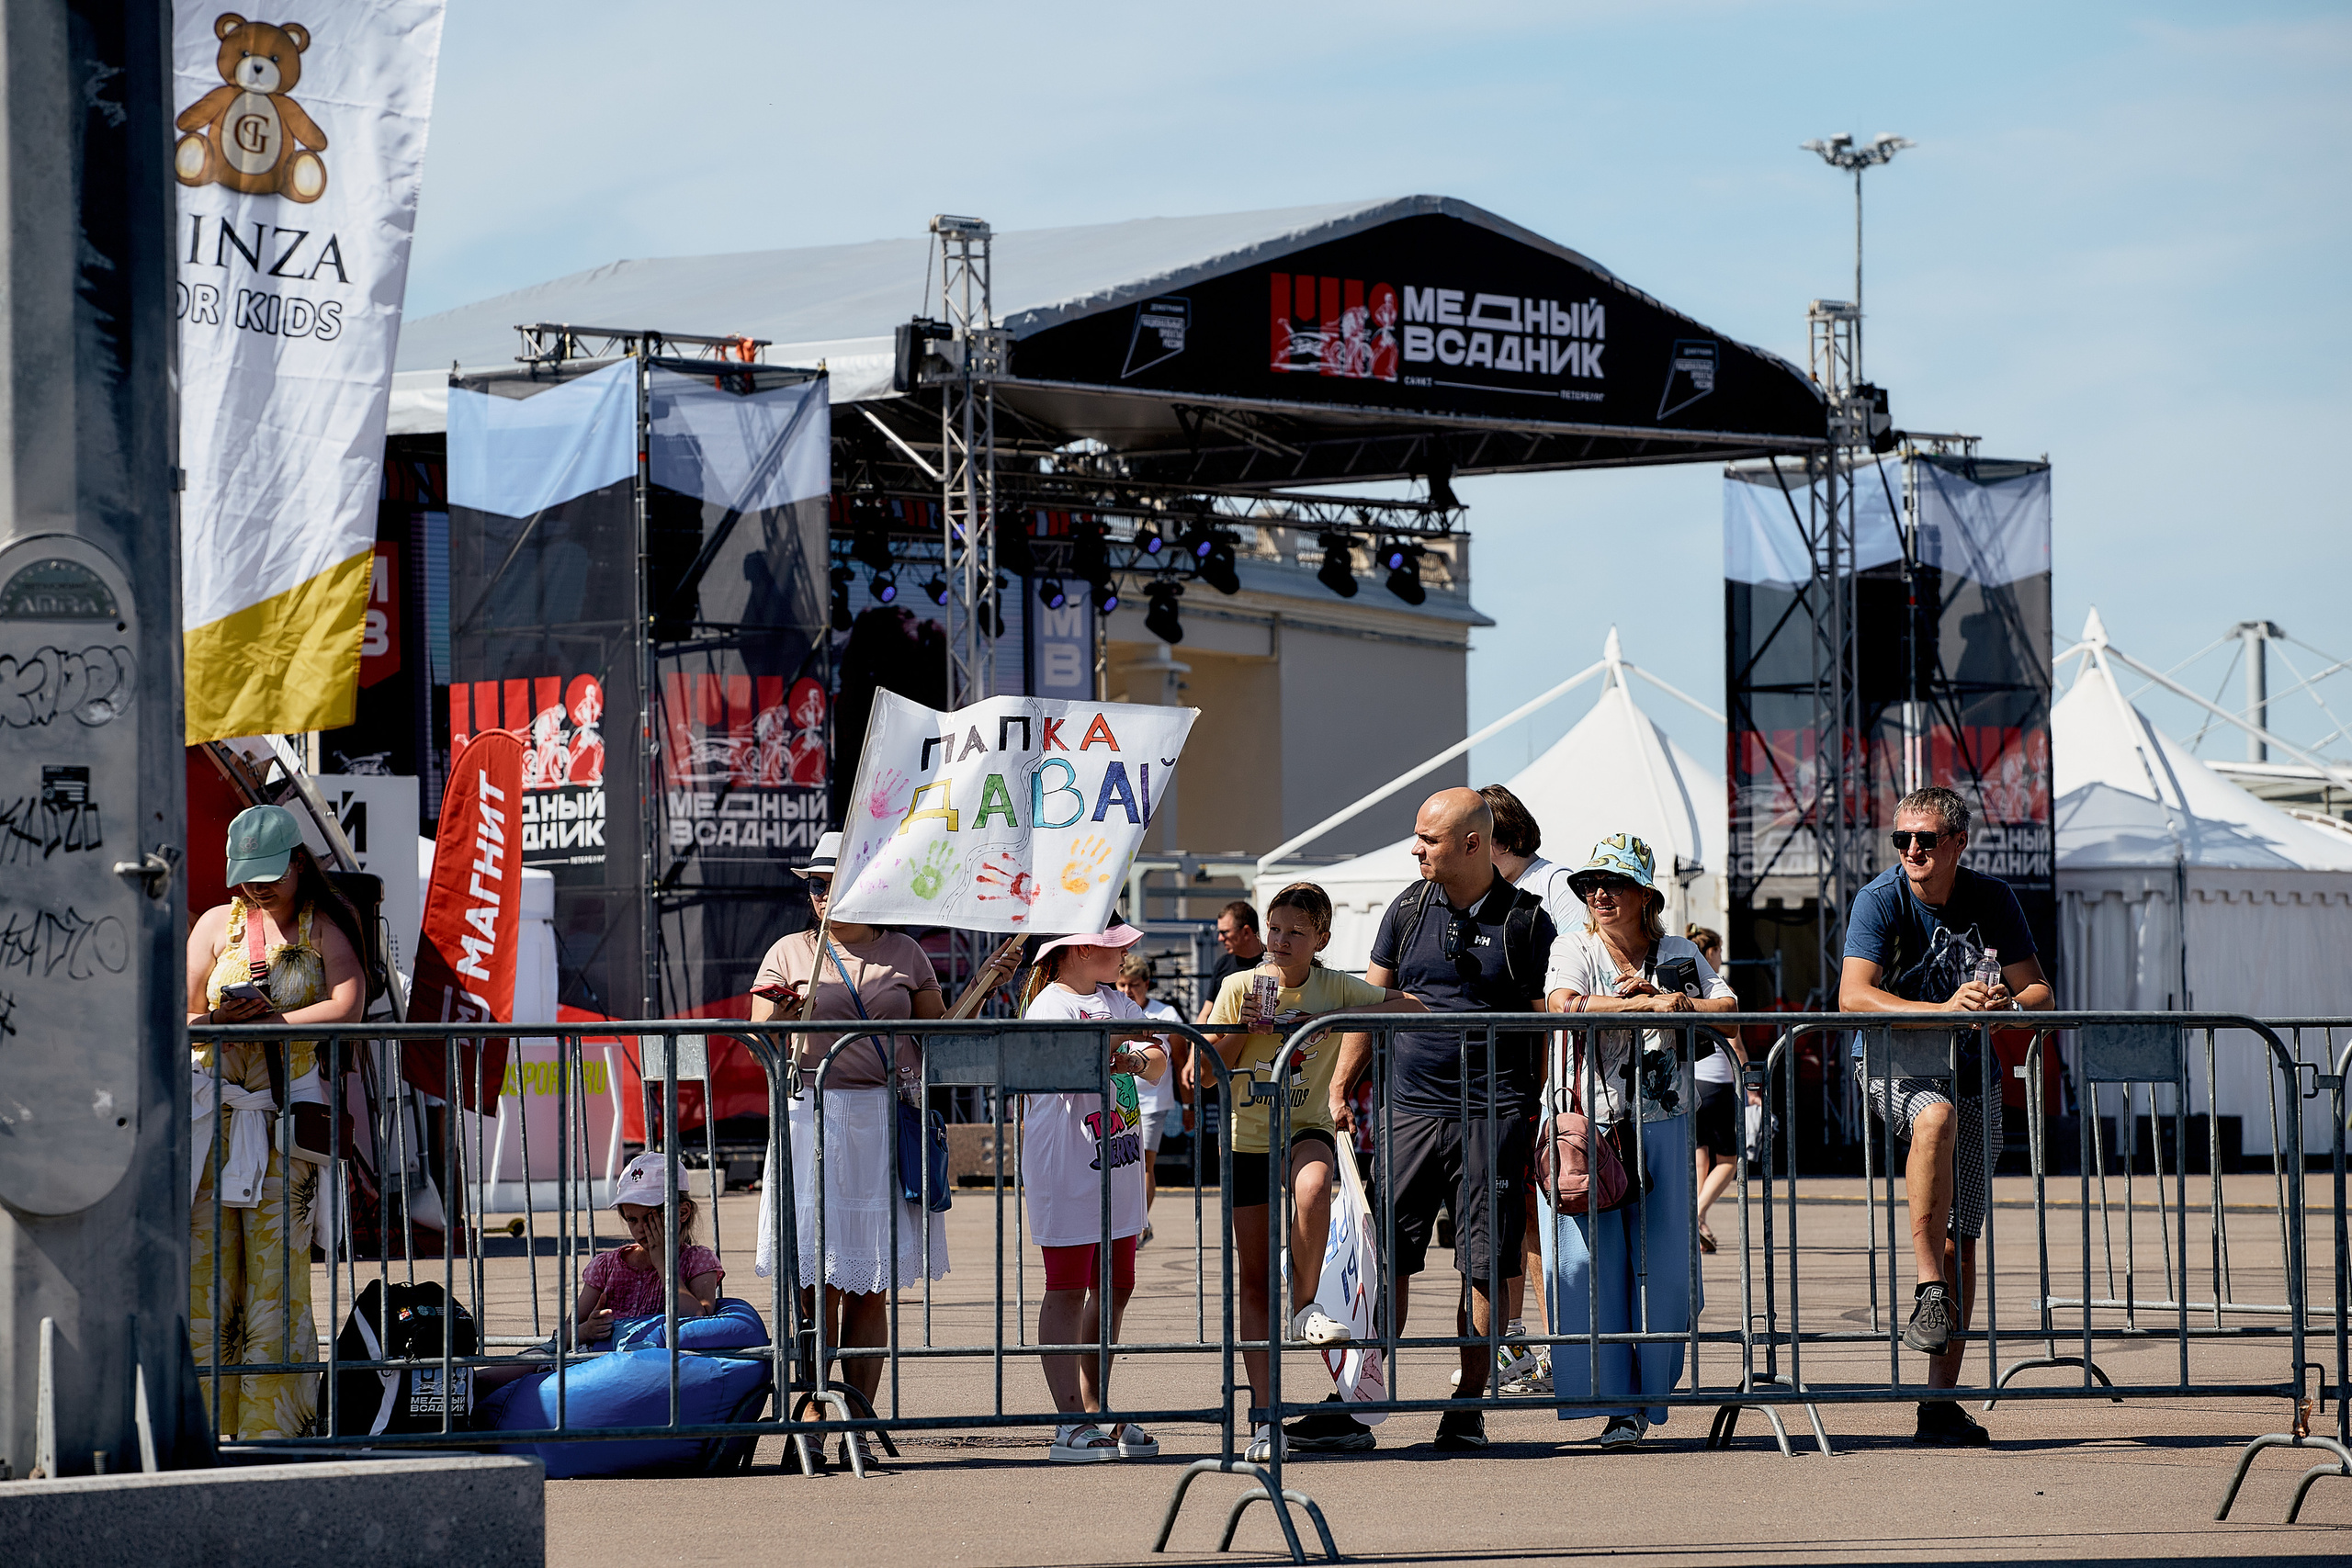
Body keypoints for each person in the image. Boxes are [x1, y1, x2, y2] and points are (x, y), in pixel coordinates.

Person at [748, 830, 1019, 1453]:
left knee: (868, 1286)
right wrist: (784, 1014)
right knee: (815, 1284)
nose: (820, 894)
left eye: (831, 881)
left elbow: (940, 1033)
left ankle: (859, 1423)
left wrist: (985, 982)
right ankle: (816, 1414)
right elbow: (758, 1031)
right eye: (814, 883)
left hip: (881, 1119)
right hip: (811, 1119)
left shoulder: (905, 952)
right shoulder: (790, 951)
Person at [1328, 788, 1555, 1452]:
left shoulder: (1527, 922)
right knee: (1386, 1259)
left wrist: (1531, 1108)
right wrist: (1342, 1083)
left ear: (1473, 844)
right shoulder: (1405, 907)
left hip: (1496, 1111)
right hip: (1410, 1110)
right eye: (1418, 836)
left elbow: (1543, 1026)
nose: (1416, 847)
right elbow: (1372, 1001)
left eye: (1429, 838)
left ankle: (1467, 1404)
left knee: (1483, 1263)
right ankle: (1358, 1402)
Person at [1839, 786, 2051, 1448]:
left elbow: (2039, 989)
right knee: (1932, 1119)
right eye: (1901, 839)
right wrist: (1943, 1010)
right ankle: (1927, 1286)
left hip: (1973, 1073)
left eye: (1925, 840)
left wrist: (2003, 1008)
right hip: (1892, 1062)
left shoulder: (1992, 898)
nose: (1910, 851)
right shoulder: (1880, 898)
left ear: (1958, 842)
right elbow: (1852, 996)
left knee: (1965, 1236)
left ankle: (1940, 1402)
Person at [1202, 882, 1424, 1462]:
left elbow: (1414, 1007)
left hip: (1306, 1126)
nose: (1280, 941)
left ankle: (1304, 1306)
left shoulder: (1333, 984)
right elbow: (1199, 1076)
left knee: (1315, 1184)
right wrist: (1240, 1032)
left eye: (1295, 932)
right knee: (1252, 1279)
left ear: (1321, 936)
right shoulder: (1237, 986)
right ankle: (1263, 1415)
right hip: (1249, 1134)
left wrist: (1335, 1016)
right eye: (1274, 929)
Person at [1542, 834, 1736, 1448]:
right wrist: (1646, 1004)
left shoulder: (1677, 949)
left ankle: (1652, 1395)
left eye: (1615, 883)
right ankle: (1614, 1406)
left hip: (1663, 1122)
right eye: (1591, 884)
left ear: (1643, 894)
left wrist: (1675, 999)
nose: (1599, 894)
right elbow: (1561, 1004)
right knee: (1585, 1272)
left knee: (1668, 1272)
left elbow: (1728, 1007)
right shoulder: (1573, 945)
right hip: (1586, 1126)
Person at [185, 805, 367, 1439]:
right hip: (215, 1125)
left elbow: (349, 1004)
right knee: (207, 1273)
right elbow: (179, 1015)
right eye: (248, 877)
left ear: (298, 863)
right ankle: (204, 1421)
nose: (257, 889)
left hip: (284, 1129)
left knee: (276, 1275)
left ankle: (275, 1426)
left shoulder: (324, 928)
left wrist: (272, 1023)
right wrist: (221, 1023)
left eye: (269, 875)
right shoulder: (215, 924)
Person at [1020, 921, 1171, 1462]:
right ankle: (1068, 1421)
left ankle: (1094, 1406)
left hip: (1119, 1162)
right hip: (1067, 1163)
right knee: (1066, 1287)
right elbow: (1066, 1063)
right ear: (1081, 949)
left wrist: (1126, 1055)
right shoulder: (1048, 1007)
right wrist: (1122, 1051)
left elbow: (1156, 1061)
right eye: (1116, 945)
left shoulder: (1113, 1000)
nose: (1129, 952)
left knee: (1117, 1284)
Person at [1478, 784, 1586, 1393]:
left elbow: (1572, 976)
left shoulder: (1555, 886)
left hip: (1558, 1079)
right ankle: (1522, 1346)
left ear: (1502, 838)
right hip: (1514, 1077)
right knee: (1518, 1217)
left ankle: (1560, 1350)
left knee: (1552, 1216)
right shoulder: (1485, 895)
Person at [575, 1152, 724, 1343]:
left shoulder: (698, 1260)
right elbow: (566, 1331)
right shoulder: (606, 1266)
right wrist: (586, 1330)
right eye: (632, 1219)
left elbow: (697, 1319)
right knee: (528, 1362)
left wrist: (663, 1264)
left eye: (649, 1218)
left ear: (683, 1212)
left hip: (659, 1365)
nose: (640, 1229)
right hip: (602, 1362)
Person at [1683, 925, 1757, 1256]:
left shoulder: (1685, 986)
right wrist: (1750, 1081)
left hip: (1691, 1084)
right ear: (1709, 952)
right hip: (1717, 1084)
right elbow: (1735, 1043)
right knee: (1730, 1160)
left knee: (1701, 1159)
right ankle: (1695, 1215)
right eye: (1720, 950)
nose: (1722, 957)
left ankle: (1700, 1222)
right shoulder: (1717, 991)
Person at [1116, 951, 1185, 1240]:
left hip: (1154, 1099)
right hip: (1119, 1099)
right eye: (1121, 985)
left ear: (1146, 983)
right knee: (1122, 1161)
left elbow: (1181, 1061)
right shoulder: (1113, 1008)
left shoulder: (1166, 1014)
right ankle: (1125, 1221)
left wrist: (1190, 1104)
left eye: (1133, 984)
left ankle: (1138, 1224)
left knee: (1144, 1160)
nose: (1128, 991)